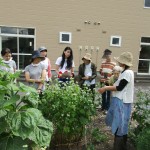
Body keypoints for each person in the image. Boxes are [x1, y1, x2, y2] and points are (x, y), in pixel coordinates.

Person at [98, 52, 134, 150]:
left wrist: (105, 88)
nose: (118, 63)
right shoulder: (126, 72)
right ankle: (122, 146)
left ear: (123, 63)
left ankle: (118, 147)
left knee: (120, 125)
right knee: (122, 125)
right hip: (122, 102)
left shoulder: (127, 73)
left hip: (122, 102)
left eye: (119, 62)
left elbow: (119, 87)